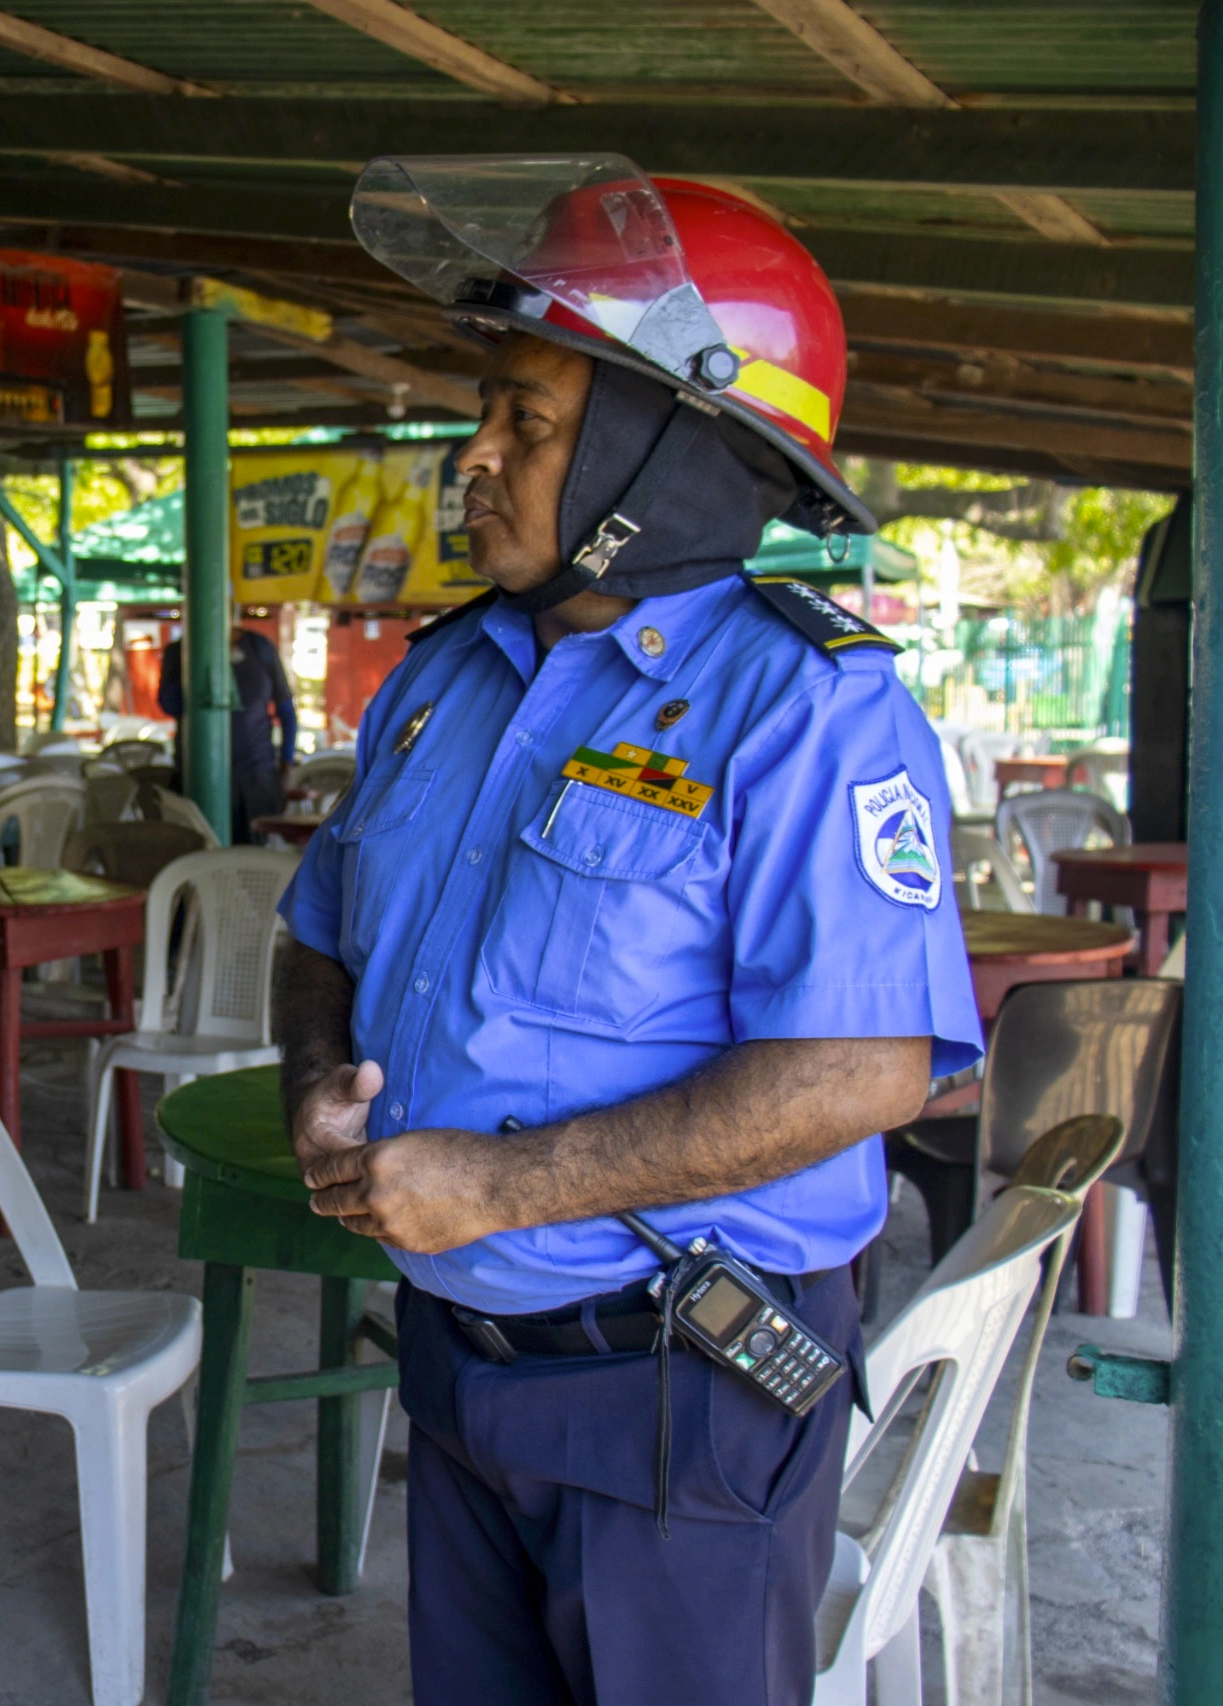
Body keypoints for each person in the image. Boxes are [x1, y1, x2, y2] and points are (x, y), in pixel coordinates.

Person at [277, 159, 982, 1703]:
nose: (472, 456)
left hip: (680, 1391)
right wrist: (318, 1072)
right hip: (465, 1361)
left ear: (670, 448)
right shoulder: (440, 678)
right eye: (492, 413)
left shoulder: (809, 708)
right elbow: (320, 923)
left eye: (525, 422)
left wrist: (501, 1181)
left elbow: (860, 1069)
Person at [157, 607, 297, 841]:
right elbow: (171, 705)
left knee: (251, 859)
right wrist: (200, 658)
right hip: (194, 773)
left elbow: (286, 711)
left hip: (255, 777)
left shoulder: (260, 648)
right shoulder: (178, 651)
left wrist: (287, 763)